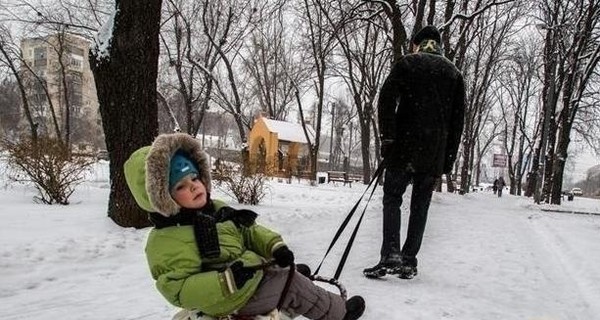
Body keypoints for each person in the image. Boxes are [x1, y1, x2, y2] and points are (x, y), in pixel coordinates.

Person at [123, 133, 365, 320]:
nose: (195, 187)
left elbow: (248, 231)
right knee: (292, 284)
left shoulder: (214, 210)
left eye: (195, 178)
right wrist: (225, 281)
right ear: (161, 199)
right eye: (181, 186)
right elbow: (179, 290)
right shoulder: (167, 241)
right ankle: (339, 312)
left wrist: (274, 247)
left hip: (244, 278)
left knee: (287, 270)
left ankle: (283, 280)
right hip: (228, 298)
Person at [364, 25, 466, 280]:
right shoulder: (453, 74)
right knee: (420, 206)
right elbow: (458, 122)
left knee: (392, 199)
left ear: (417, 43)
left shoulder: (408, 64)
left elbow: (386, 99)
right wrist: (447, 159)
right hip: (433, 153)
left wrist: (388, 137)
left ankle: (390, 254)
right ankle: (409, 261)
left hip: (403, 147)